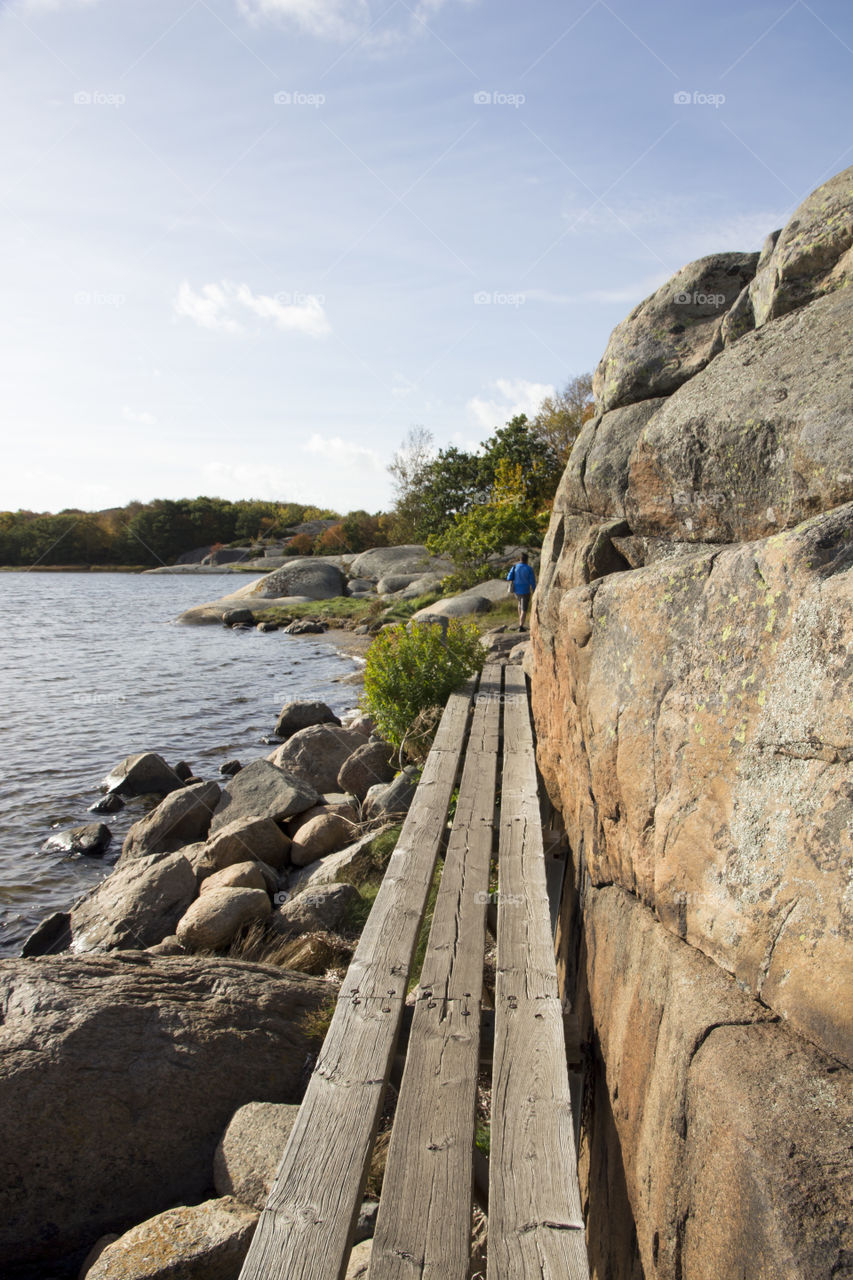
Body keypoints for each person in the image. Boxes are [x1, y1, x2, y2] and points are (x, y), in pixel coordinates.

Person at [506, 551, 536, 631]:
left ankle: (520, 622)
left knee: (519, 604)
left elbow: (508, 577)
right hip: (525, 590)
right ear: (527, 560)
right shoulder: (529, 569)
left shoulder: (515, 567)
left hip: (516, 590)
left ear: (520, 559)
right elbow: (532, 581)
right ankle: (521, 626)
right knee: (524, 609)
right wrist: (534, 591)